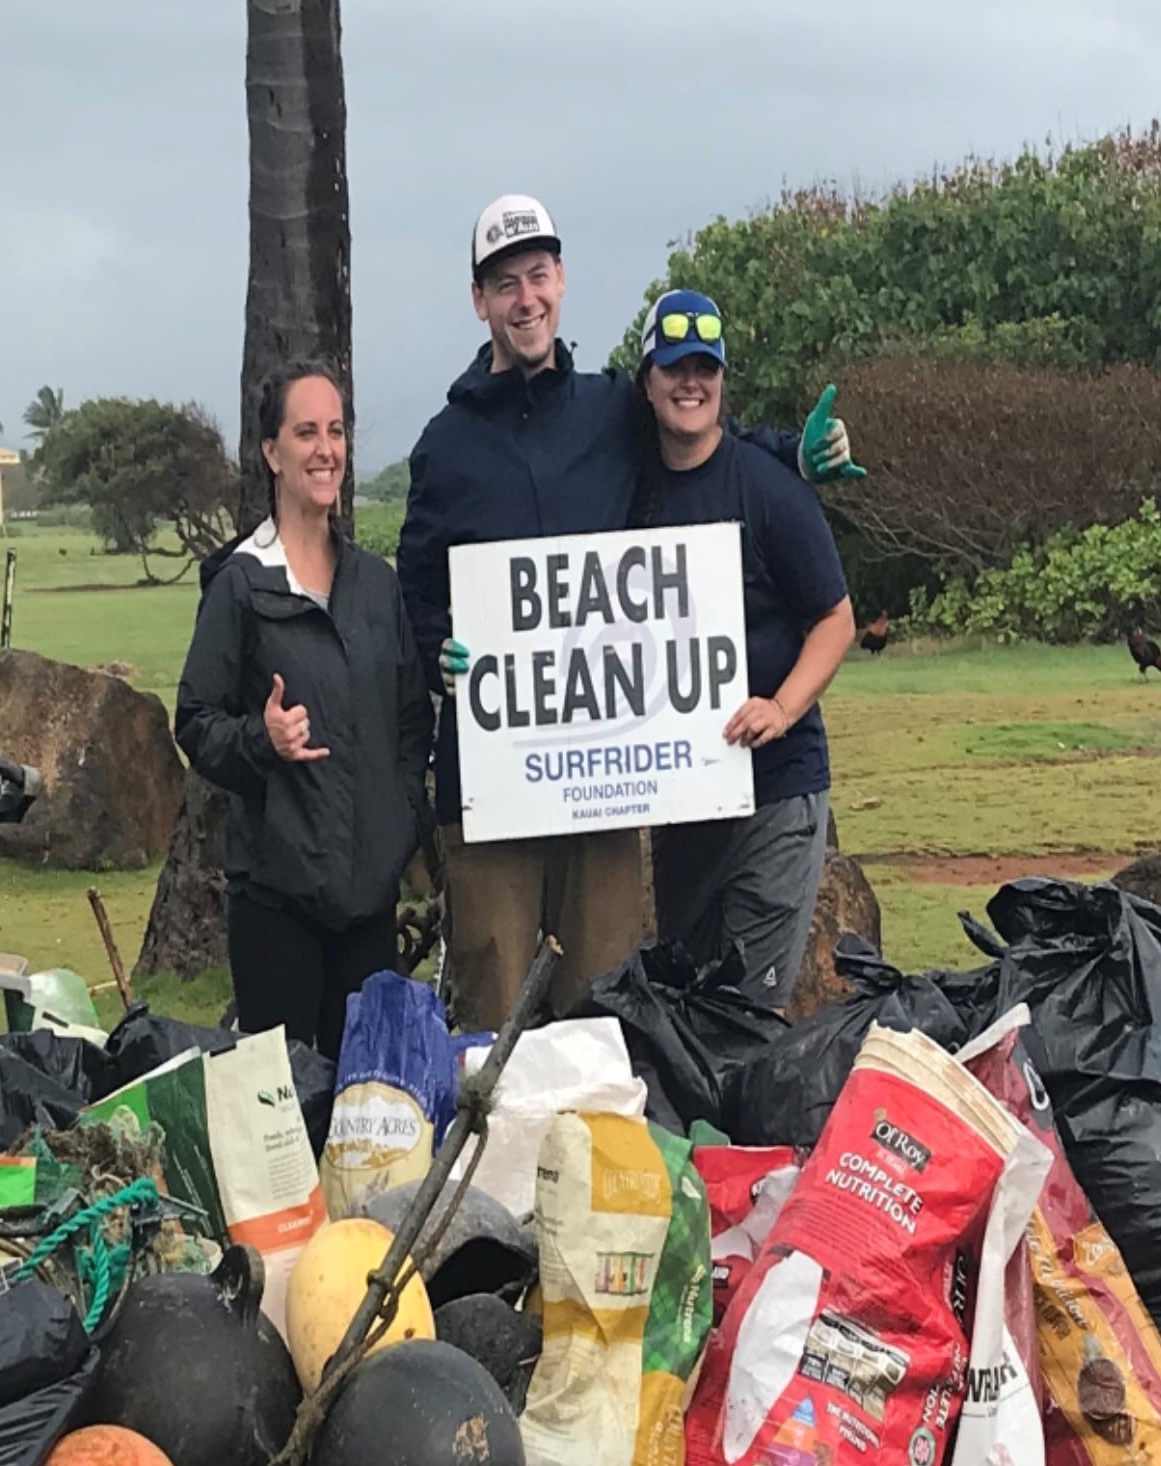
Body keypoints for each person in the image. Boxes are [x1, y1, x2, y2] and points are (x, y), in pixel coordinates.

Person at [396, 193, 862, 1030]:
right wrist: (440, 650)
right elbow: (417, 591)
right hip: (495, 777)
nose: (526, 298)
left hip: (604, 785)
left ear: (563, 282)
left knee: (606, 1008)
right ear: (480, 301)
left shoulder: (613, 408)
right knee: (492, 1004)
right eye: (505, 283)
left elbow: (706, 437)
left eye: (539, 275)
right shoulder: (445, 444)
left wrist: (794, 453)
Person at [176, 361, 433, 1058]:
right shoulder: (240, 586)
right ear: (271, 453)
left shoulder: (376, 587)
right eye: (306, 432)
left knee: (368, 1111)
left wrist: (399, 823)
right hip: (277, 901)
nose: (326, 450)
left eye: (337, 431)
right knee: (284, 1122)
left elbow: (413, 720)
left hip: (368, 903)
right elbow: (194, 722)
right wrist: (262, 739)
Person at [632, 289, 855, 1003]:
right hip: (684, 799)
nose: (690, 383)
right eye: (674, 368)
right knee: (686, 1001)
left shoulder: (771, 489)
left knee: (746, 1009)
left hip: (775, 790)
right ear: (647, 380)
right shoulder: (627, 490)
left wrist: (783, 707)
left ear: (723, 380)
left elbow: (835, 619)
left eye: (706, 368)